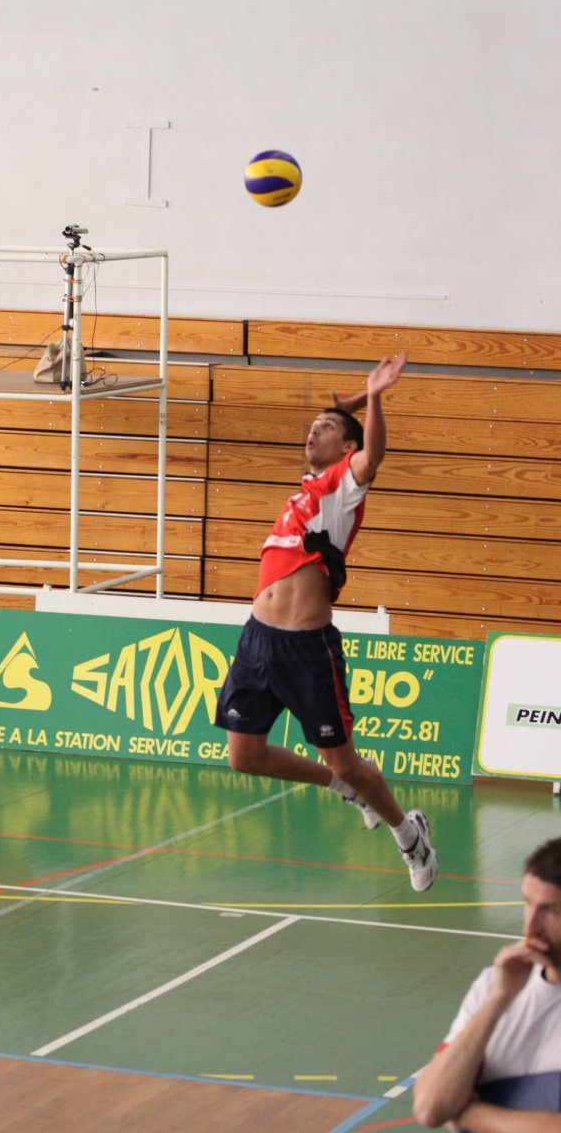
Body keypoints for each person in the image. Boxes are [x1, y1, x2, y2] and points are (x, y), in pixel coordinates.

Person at [214, 351, 438, 892]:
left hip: (306, 650)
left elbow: (374, 454)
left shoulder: (341, 490)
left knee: (346, 760)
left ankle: (409, 834)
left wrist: (374, 396)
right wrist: (352, 401)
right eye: (314, 425)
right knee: (244, 756)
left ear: (347, 448)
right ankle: (343, 789)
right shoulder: (299, 497)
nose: (315, 430)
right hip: (256, 641)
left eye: (328, 426)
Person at [412, 836, 561, 1130]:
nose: (530, 927)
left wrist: (468, 1114)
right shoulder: (494, 985)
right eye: (528, 904)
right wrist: (498, 1000)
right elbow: (431, 1107)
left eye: (550, 911)